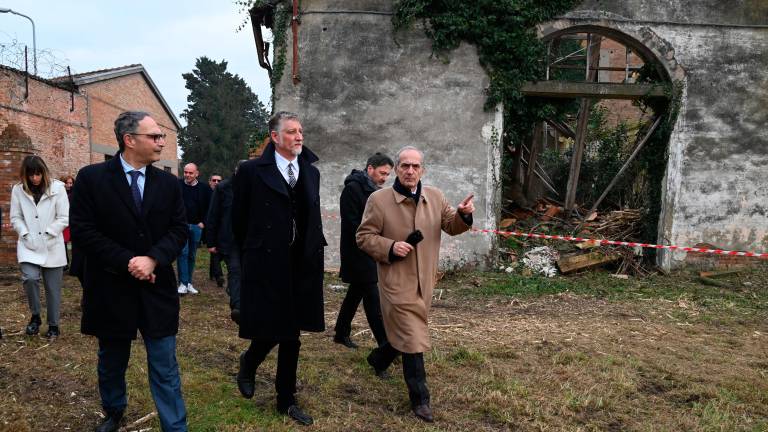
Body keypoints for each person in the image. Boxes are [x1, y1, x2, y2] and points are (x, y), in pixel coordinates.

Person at [70, 111, 189, 432]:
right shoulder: (92, 179)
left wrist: (152, 259)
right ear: (129, 140)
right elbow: (83, 231)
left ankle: (175, 426)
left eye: (161, 136)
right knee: (112, 361)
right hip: (110, 289)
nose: (161, 142)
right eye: (154, 136)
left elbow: (179, 230)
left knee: (165, 366)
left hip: (156, 289)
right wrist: (127, 261)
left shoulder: (168, 184)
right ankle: (113, 409)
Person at [357, 146, 475, 423]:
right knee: (412, 337)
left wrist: (464, 214)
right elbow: (363, 237)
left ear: (423, 169)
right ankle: (420, 399)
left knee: (405, 332)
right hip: (395, 280)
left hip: (425, 281)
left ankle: (379, 359)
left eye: (415, 166)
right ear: (397, 168)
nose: (410, 171)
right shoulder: (379, 199)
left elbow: (451, 225)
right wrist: (390, 246)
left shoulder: (435, 197)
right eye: (405, 166)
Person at [232, 111, 325, 426]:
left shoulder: (311, 173)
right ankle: (252, 365)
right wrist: (247, 256)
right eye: (291, 132)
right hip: (267, 260)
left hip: (302, 263)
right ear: (274, 137)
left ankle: (284, 398)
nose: (299, 137)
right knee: (278, 327)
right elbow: (239, 219)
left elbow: (312, 216)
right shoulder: (251, 172)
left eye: (301, 131)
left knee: (292, 332)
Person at [334, 153, 393, 349]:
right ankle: (385, 345)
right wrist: (371, 241)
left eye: (387, 175)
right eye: (382, 173)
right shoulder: (353, 190)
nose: (384, 178)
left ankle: (341, 333)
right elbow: (352, 225)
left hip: (370, 251)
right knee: (372, 299)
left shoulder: (375, 191)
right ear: (370, 169)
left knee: (355, 294)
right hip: (357, 252)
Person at [10, 155, 69, 338]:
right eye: (31, 175)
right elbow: (15, 217)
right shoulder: (18, 190)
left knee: (53, 289)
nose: (35, 178)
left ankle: (53, 325)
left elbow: (64, 217)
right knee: (29, 278)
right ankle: (35, 316)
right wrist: (25, 233)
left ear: (43, 172)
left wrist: (50, 233)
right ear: (25, 175)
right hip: (29, 244)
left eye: (38, 174)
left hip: (52, 244)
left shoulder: (58, 188)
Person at [206, 163, 244, 323]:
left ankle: (238, 296)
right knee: (235, 271)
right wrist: (211, 242)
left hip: (250, 240)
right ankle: (238, 307)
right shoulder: (223, 188)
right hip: (230, 240)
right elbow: (213, 214)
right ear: (236, 171)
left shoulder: (256, 187)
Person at [176, 163, 211, 295]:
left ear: (197, 173)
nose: (187, 175)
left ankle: (189, 282)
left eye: (190, 173)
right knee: (182, 253)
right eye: (185, 172)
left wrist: (204, 222)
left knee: (191, 255)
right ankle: (183, 283)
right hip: (182, 226)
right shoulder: (177, 185)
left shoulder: (205, 188)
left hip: (197, 226)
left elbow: (210, 207)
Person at [207, 173, 225, 287]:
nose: (216, 182)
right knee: (214, 250)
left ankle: (216, 274)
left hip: (220, 227)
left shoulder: (224, 193)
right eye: (214, 180)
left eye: (219, 181)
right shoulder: (206, 193)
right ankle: (216, 273)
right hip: (206, 225)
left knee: (215, 252)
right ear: (210, 181)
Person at [61, 175, 75, 271]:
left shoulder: (75, 193)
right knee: (63, 243)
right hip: (65, 220)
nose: (69, 185)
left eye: (71, 183)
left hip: (73, 221)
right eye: (67, 183)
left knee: (75, 243)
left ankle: (74, 264)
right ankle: (65, 263)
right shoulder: (60, 194)